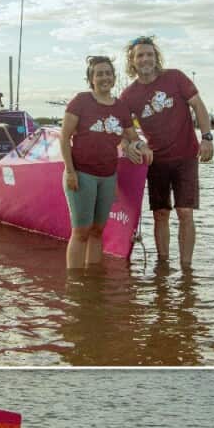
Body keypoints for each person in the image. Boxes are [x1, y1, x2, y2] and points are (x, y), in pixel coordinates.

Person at [119, 36, 214, 269]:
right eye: (140, 55)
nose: (145, 59)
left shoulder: (176, 78)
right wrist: (134, 145)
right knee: (161, 214)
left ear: (156, 56)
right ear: (132, 61)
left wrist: (207, 137)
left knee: (185, 212)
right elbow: (122, 130)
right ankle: (163, 266)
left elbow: (198, 106)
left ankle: (187, 268)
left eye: (150, 54)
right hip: (156, 161)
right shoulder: (129, 95)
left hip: (186, 156)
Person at [60, 55, 149, 269]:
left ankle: (93, 278)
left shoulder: (120, 108)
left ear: (114, 77)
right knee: (81, 231)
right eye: (99, 74)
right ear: (91, 78)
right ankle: (77, 285)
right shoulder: (80, 101)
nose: (104, 77)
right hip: (81, 174)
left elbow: (132, 137)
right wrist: (70, 172)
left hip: (108, 176)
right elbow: (64, 138)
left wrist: (141, 147)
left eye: (108, 73)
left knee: (98, 231)